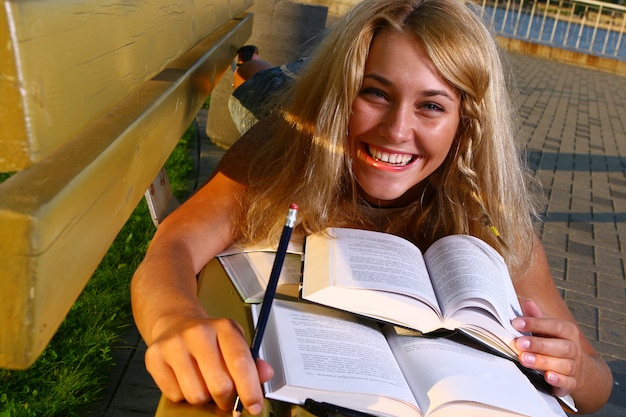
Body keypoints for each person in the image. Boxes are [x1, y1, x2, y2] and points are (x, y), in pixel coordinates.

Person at [131, 0, 613, 415]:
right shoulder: (285, 146)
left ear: (465, 123)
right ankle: (250, 63)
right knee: (263, 88)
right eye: (375, 92)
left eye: (431, 106)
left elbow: (597, 384)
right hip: (284, 103)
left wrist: (576, 368)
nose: (397, 130)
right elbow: (173, 244)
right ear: (343, 93)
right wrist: (175, 319)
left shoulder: (486, 216)